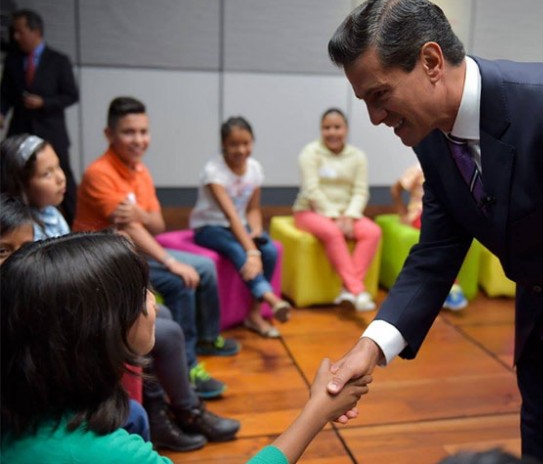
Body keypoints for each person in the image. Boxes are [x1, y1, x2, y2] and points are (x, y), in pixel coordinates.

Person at [325, 0, 543, 464]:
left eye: (380, 96)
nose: (375, 118)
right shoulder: (432, 137)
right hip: (538, 345)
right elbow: (436, 253)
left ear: (431, 60)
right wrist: (371, 347)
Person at [0, 234, 371, 463]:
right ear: (100, 330)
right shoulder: (105, 453)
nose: (153, 301)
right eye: (141, 293)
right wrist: (316, 411)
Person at [0, 134, 240, 450]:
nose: (60, 178)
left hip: (83, 296)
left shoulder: (52, 215)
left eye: (59, 168)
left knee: (164, 314)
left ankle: (172, 401)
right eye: (46, 173)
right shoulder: (97, 176)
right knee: (162, 330)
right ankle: (184, 409)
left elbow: (154, 223)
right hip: (75, 311)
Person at [74, 96, 240, 372]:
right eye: (129, 132)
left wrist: (139, 213)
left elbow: (157, 224)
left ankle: (208, 339)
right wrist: (170, 261)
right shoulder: (98, 173)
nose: (139, 139)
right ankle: (187, 366)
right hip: (103, 261)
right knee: (180, 279)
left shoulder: (141, 170)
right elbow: (131, 227)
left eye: (143, 131)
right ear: (109, 134)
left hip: (135, 250)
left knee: (206, 267)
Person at [191, 116, 291, 338]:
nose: (241, 149)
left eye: (246, 143)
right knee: (238, 250)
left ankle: (254, 314)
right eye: (234, 144)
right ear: (224, 145)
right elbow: (231, 215)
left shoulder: (254, 169)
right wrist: (252, 251)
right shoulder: (213, 171)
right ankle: (271, 298)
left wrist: (255, 230)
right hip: (210, 227)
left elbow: (253, 210)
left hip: (239, 225)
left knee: (271, 250)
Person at [292, 108, 382, 312]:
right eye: (327, 128)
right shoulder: (310, 152)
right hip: (309, 212)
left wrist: (349, 216)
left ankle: (347, 290)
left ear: (346, 129)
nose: (332, 132)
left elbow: (360, 191)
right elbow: (311, 190)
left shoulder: (358, 156)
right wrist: (334, 216)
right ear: (321, 130)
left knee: (372, 231)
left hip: (346, 214)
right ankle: (357, 290)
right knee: (332, 232)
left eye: (337, 127)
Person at [0, 9, 79, 224]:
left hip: (51, 130)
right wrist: (2, 112)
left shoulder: (58, 60)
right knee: (13, 179)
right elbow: (5, 93)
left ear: (36, 31)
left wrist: (45, 103)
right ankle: (15, 225)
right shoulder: (13, 60)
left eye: (20, 31)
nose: (15, 37)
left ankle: (74, 226)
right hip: (21, 129)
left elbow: (71, 95)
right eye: (13, 32)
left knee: (64, 181)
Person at [391, 162, 468, 311]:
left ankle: (447, 286)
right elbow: (396, 189)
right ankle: (452, 286)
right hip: (421, 214)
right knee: (440, 234)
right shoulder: (419, 168)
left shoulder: (453, 167)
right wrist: (402, 213)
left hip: (445, 215)